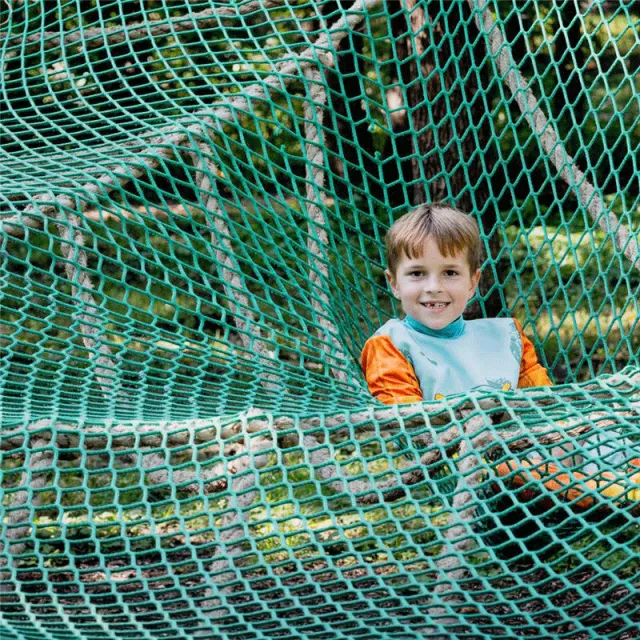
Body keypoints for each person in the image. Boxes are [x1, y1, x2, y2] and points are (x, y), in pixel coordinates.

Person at [361, 203, 639, 508]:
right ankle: (599, 492)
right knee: (514, 471)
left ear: (473, 282)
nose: (433, 287)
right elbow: (408, 423)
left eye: (450, 272)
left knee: (603, 433)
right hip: (470, 463)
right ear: (394, 283)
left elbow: (546, 401)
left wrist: (557, 438)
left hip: (537, 443)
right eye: (417, 274)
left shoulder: (504, 335)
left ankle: (618, 486)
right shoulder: (392, 344)